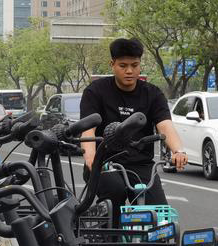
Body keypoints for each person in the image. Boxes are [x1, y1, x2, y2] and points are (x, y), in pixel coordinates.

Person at [80, 38, 187, 226]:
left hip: (141, 165)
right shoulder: (96, 91)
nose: (129, 71)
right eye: (123, 65)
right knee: (115, 192)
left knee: (158, 216)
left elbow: (165, 126)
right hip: (104, 164)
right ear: (112, 64)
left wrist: (178, 151)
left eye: (134, 65)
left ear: (139, 65)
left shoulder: (153, 94)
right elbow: (88, 129)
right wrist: (91, 156)